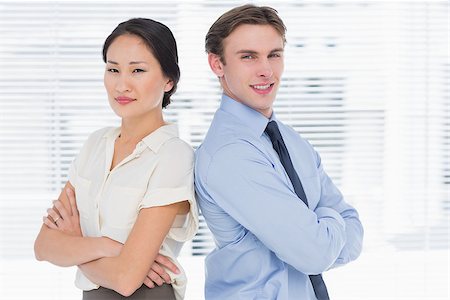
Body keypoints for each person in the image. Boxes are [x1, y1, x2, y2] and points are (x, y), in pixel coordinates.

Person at [195, 4, 364, 300]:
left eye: (274, 54)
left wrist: (319, 231)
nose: (266, 70)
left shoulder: (291, 141)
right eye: (248, 56)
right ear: (217, 64)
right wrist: (326, 218)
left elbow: (355, 235)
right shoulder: (229, 154)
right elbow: (315, 253)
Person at [34, 18, 198, 300]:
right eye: (113, 69)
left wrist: (74, 245)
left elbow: (126, 279)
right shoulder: (95, 145)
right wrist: (110, 247)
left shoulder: (173, 155)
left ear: (169, 80)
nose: (121, 85)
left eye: (137, 70)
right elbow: (44, 246)